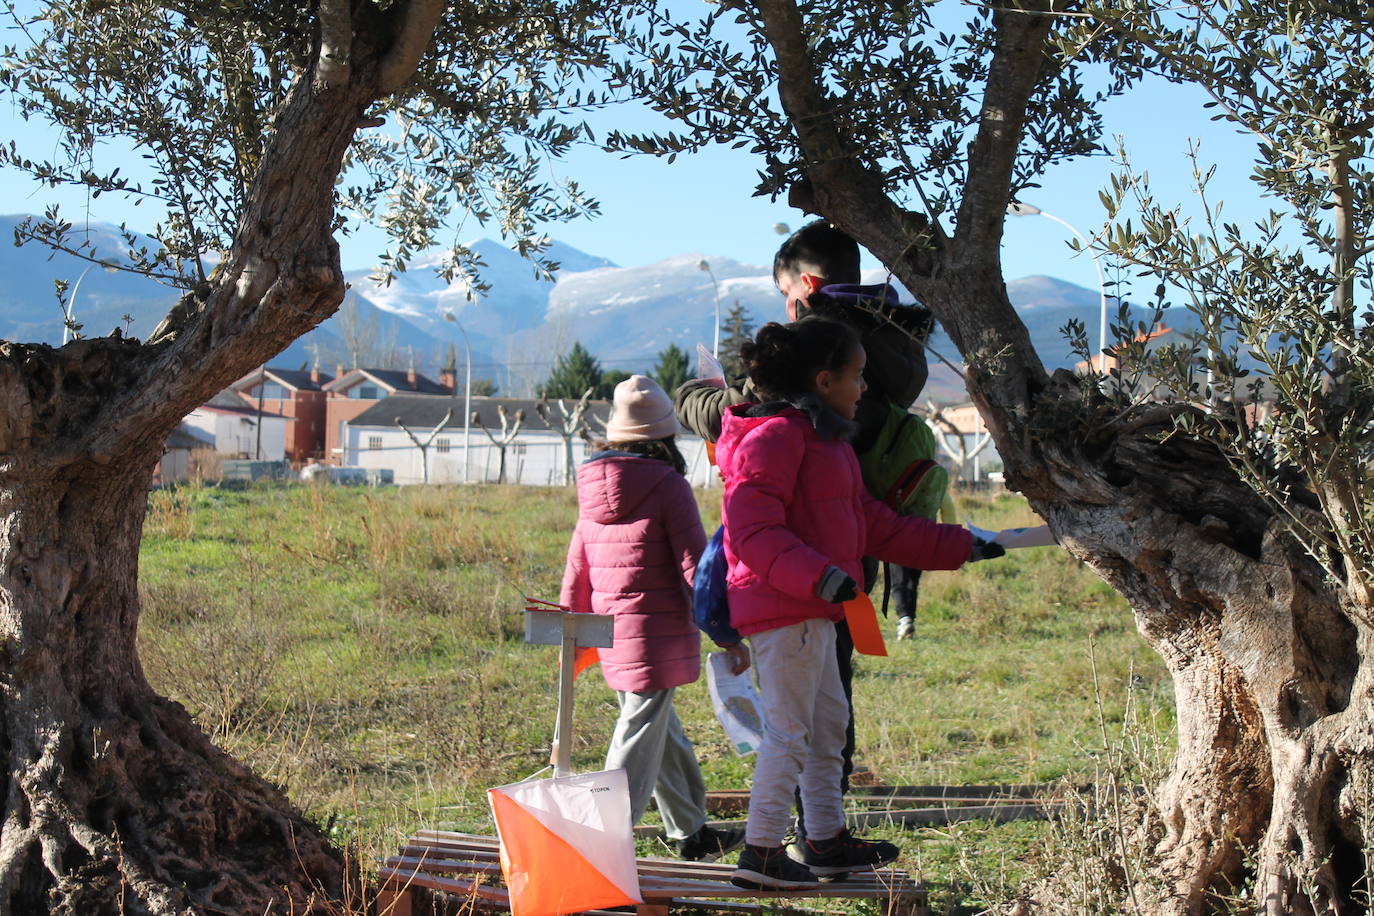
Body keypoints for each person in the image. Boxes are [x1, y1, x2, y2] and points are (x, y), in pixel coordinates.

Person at [675, 220, 934, 833]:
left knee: (794, 717)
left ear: (806, 285)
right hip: (850, 549)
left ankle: (774, 845)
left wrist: (693, 396)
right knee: (829, 701)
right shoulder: (891, 349)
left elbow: (740, 414)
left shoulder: (816, 355)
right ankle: (824, 830)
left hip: (793, 569)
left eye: (786, 293)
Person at [719, 320, 997, 889]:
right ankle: (763, 851)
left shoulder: (826, 442)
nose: (864, 387)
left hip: (814, 608)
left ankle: (824, 839)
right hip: (788, 608)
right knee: (791, 731)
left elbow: (877, 527)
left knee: (828, 728)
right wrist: (820, 578)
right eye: (858, 375)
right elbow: (751, 529)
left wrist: (965, 545)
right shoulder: (776, 439)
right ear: (824, 381)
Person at [559, 375, 744, 862]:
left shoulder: (590, 483)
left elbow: (578, 560)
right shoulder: (668, 485)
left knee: (661, 730)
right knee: (638, 738)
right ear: (664, 436)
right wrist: (727, 633)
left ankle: (692, 832)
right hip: (656, 636)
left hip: (609, 632)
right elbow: (695, 567)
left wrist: (570, 625)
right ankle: (601, 848)